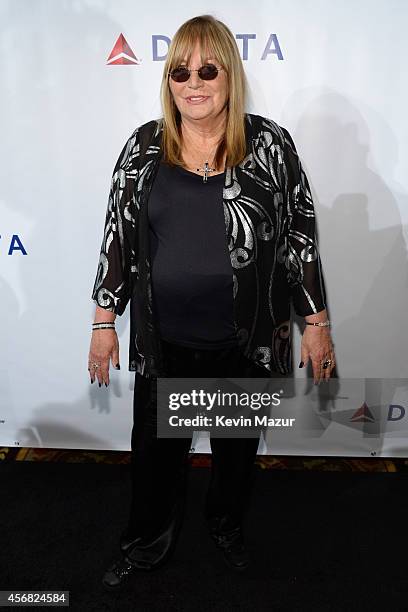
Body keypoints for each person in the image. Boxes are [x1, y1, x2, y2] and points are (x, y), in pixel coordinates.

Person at [88, 14, 335, 589]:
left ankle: (225, 525)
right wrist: (103, 322)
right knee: (155, 459)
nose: (193, 82)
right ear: (168, 80)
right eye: (179, 71)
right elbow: (118, 238)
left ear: (230, 74)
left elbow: (300, 236)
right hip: (165, 343)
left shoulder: (269, 144)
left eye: (207, 69)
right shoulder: (145, 146)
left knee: (234, 452)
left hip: (243, 342)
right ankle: (146, 546)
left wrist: (316, 322)